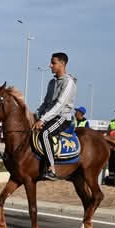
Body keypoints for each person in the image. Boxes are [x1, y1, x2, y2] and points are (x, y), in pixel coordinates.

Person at [32, 52, 77, 180]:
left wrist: (42, 119)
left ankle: (51, 168)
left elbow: (60, 104)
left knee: (45, 134)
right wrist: (35, 115)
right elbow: (45, 103)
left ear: (62, 64)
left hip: (62, 118)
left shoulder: (69, 83)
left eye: (53, 63)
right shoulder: (52, 82)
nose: (50, 65)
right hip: (49, 117)